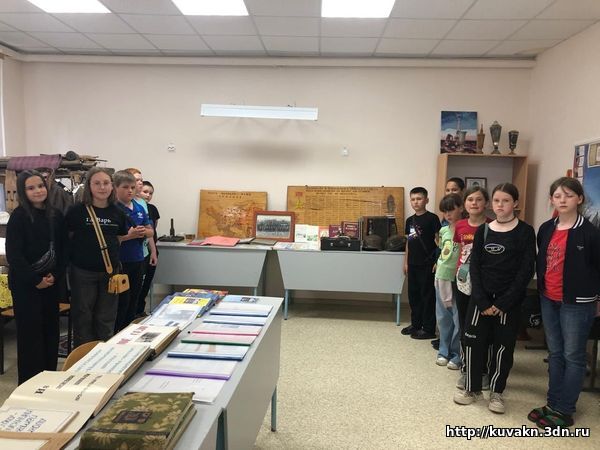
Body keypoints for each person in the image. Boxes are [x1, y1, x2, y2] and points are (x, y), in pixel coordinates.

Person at [454, 183, 535, 414]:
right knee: (472, 343)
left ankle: (497, 392)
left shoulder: (525, 231)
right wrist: (482, 300)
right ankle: (472, 388)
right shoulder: (484, 230)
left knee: (502, 348)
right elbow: (475, 267)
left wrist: (502, 303)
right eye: (497, 200)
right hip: (480, 300)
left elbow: (526, 270)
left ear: (515, 203)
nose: (500, 205)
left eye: (506, 200)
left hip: (508, 303)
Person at [528, 177, 600, 428]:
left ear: (579, 199)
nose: (562, 200)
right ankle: (552, 403)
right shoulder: (546, 228)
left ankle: (565, 409)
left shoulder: (590, 233)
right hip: (549, 298)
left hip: (577, 303)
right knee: (555, 353)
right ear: (552, 200)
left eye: (568, 195)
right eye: (557, 196)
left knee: (573, 356)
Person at [6, 170, 66, 384]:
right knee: (30, 338)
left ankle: (48, 381)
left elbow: (63, 250)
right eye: (31, 188)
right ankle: (30, 385)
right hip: (26, 286)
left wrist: (54, 276)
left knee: (50, 333)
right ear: (23, 192)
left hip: (50, 283)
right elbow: (14, 256)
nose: (38, 191)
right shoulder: (19, 217)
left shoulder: (55, 215)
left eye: (40, 186)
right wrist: (35, 280)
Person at [66, 167, 128, 347]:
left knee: (106, 317)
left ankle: (104, 355)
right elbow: (67, 237)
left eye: (106, 183)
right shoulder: (76, 211)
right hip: (82, 272)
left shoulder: (118, 212)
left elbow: (119, 237)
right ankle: (83, 356)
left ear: (112, 186)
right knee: (83, 316)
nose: (102, 187)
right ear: (89, 186)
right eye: (97, 183)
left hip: (110, 273)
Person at [453, 185, 491, 390]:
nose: (474, 203)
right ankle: (466, 368)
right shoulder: (459, 225)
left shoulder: (492, 226)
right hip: (462, 282)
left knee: (482, 328)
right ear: (464, 203)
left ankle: (482, 371)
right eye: (470, 199)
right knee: (464, 326)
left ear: (486, 203)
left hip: (484, 284)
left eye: (478, 199)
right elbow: (459, 251)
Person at [113, 170, 153, 332]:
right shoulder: (112, 209)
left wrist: (143, 232)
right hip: (120, 262)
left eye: (132, 187)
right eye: (125, 187)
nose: (130, 190)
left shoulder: (139, 207)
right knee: (120, 302)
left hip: (138, 259)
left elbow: (150, 231)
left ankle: (128, 331)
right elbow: (109, 239)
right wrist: (129, 236)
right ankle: (117, 332)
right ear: (115, 188)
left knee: (133, 299)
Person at [402, 187, 441, 340]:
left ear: (426, 200)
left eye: (419, 199)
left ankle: (428, 328)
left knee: (427, 296)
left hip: (427, 264)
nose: (416, 202)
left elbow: (438, 240)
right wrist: (406, 262)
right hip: (413, 264)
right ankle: (416, 324)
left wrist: (438, 261)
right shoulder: (409, 220)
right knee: (414, 295)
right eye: (413, 199)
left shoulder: (432, 218)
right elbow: (409, 242)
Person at [433, 177, 466, 351]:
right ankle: (443, 350)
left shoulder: (466, 228)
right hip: (441, 276)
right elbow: (442, 252)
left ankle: (456, 353)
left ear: (461, 208)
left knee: (457, 317)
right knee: (442, 317)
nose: (448, 214)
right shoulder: (443, 229)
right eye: (445, 211)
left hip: (457, 278)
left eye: (451, 210)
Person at [125, 168, 157, 316]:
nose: (139, 183)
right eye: (136, 180)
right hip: (124, 257)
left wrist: (153, 251)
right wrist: (130, 235)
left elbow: (150, 231)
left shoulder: (141, 204)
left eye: (140, 180)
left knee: (137, 292)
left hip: (141, 253)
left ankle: (135, 316)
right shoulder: (117, 205)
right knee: (125, 297)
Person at [137, 180, 160, 316]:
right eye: (145, 192)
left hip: (151, 249)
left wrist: (153, 251)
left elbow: (152, 230)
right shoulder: (135, 206)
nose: (148, 195)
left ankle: (141, 310)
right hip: (139, 251)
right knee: (137, 284)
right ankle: (135, 312)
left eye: (150, 193)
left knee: (146, 283)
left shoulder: (152, 209)